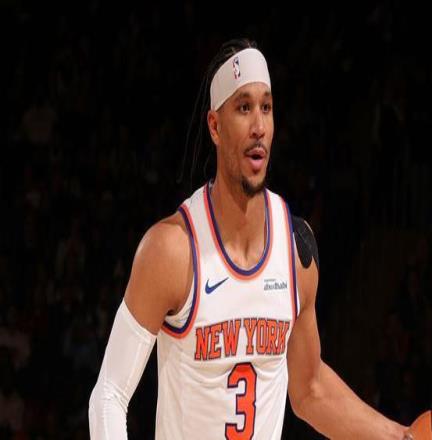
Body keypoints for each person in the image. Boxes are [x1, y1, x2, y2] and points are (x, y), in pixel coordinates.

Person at [89, 38, 408, 439]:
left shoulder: (296, 248)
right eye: (243, 108)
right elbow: (109, 394)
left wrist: (402, 436)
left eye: (266, 108)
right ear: (215, 126)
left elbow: (310, 390)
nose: (258, 126)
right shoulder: (172, 250)